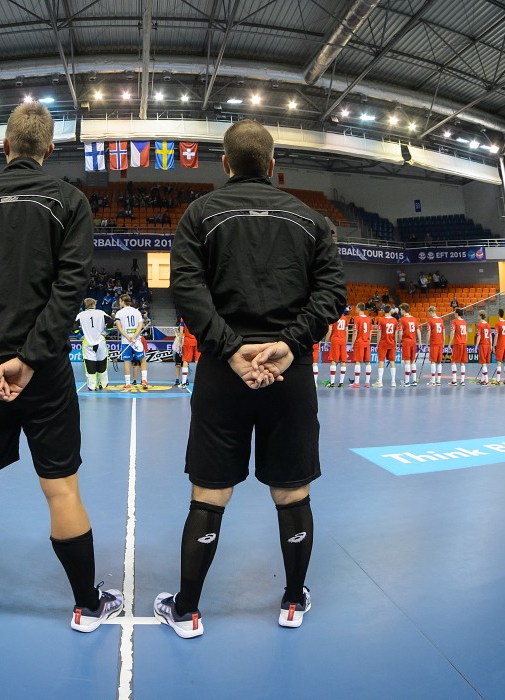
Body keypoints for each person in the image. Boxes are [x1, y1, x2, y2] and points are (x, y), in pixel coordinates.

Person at [0, 101, 122, 631]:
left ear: (5, 146)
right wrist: (32, 360)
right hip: (45, 376)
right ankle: (87, 606)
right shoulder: (68, 201)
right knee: (61, 488)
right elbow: (71, 287)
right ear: (49, 149)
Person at [155, 119, 345, 639]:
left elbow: (187, 292)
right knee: (292, 492)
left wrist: (232, 351)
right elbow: (332, 294)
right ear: (273, 164)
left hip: (222, 376)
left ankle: (188, 609)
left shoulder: (200, 215)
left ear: (226, 163)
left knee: (209, 493)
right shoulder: (311, 221)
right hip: (290, 376)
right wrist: (289, 345)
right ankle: (292, 600)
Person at [75, 298, 109, 391]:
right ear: (94, 304)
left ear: (85, 305)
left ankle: (92, 386)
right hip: (100, 342)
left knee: (89, 365)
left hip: (88, 342)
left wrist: (79, 336)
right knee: (102, 363)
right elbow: (110, 321)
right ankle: (104, 384)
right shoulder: (101, 313)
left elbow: (73, 326)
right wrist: (106, 332)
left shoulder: (81, 315)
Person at [116, 294, 148, 389]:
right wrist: (134, 336)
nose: (119, 302)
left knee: (127, 361)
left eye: (119, 301)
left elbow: (119, 327)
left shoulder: (119, 313)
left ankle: (127, 383)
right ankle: (144, 381)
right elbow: (140, 325)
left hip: (126, 341)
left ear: (122, 301)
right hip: (137, 340)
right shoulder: (137, 312)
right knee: (143, 360)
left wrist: (127, 336)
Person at [325, 306, 350, 388]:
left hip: (335, 340)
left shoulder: (333, 318)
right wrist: (345, 342)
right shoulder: (345, 319)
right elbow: (347, 331)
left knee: (333, 360)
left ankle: (332, 383)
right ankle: (341, 383)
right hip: (342, 340)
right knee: (343, 361)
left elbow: (330, 330)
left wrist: (326, 341)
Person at [397, 303, 420, 387]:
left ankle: (407, 382)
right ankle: (414, 380)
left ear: (403, 310)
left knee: (407, 361)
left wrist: (399, 342)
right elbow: (418, 331)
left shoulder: (402, 319)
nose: (400, 311)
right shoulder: (414, 319)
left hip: (406, 342)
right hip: (413, 342)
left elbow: (400, 332)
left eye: (401, 310)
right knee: (413, 361)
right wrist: (420, 342)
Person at [350, 302, 372, 389]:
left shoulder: (357, 318)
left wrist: (352, 344)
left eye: (356, 308)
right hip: (367, 342)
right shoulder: (369, 319)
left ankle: (356, 382)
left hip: (359, 342)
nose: (355, 309)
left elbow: (355, 332)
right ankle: (367, 382)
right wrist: (368, 340)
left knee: (358, 362)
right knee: (367, 362)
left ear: (359, 308)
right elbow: (370, 332)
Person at [375, 306, 397, 388]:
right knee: (392, 362)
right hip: (391, 342)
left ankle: (380, 382)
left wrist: (377, 344)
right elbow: (396, 333)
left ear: (384, 311)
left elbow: (379, 333)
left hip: (383, 343)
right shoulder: (395, 320)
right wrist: (396, 343)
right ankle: (393, 382)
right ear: (390, 311)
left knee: (381, 361)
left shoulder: (381, 320)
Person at [174, 316, 197, 388]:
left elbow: (181, 332)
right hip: (197, 341)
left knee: (186, 361)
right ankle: (201, 382)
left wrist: (180, 343)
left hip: (188, 341)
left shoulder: (183, 318)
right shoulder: (199, 315)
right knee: (197, 361)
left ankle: (183, 383)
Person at [425, 306, 445, 386]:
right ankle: (439, 380)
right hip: (440, 342)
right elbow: (443, 332)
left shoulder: (430, 320)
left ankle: (433, 380)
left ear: (431, 311)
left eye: (429, 312)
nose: (429, 314)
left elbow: (429, 333)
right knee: (439, 361)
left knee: (433, 361)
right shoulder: (441, 320)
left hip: (434, 343)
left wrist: (427, 344)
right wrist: (443, 342)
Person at [450, 308, 468, 386]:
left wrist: (450, 343)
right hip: (464, 343)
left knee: (453, 361)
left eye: (454, 313)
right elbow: (466, 334)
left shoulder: (454, 321)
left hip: (457, 343)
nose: (454, 314)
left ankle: (454, 381)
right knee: (462, 362)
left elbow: (453, 332)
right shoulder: (464, 322)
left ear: (457, 314)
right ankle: (462, 381)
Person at [494, 309, 505, 385]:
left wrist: (494, 344)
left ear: (498, 314)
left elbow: (496, 335)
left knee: (499, 361)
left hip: (500, 344)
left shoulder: (498, 323)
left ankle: (498, 380)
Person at [476, 310, 493, 385]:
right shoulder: (488, 325)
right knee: (484, 363)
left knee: (483, 363)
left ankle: (486, 381)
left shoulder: (479, 325)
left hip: (482, 345)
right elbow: (490, 336)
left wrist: (476, 345)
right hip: (488, 344)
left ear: (480, 316)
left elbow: (479, 336)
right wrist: (491, 345)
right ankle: (482, 379)